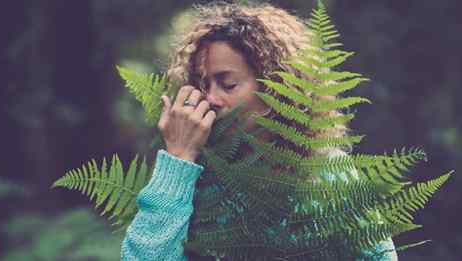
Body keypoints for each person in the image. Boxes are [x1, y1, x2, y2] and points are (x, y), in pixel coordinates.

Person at [120, 3, 398, 260]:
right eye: (203, 85)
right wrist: (179, 159)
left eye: (227, 84)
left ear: (276, 87)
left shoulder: (326, 172)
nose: (211, 99)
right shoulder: (198, 178)